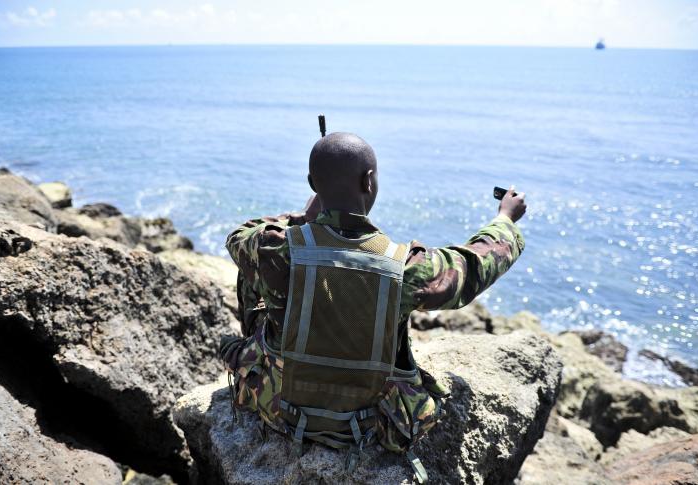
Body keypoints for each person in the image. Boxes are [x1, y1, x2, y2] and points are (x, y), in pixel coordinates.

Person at [220, 132, 526, 482]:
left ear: (312, 185)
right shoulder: (403, 267)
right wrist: (505, 220)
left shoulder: (275, 250)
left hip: (280, 407)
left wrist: (302, 219)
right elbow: (474, 266)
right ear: (369, 181)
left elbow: (239, 236)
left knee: (254, 273)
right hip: (371, 421)